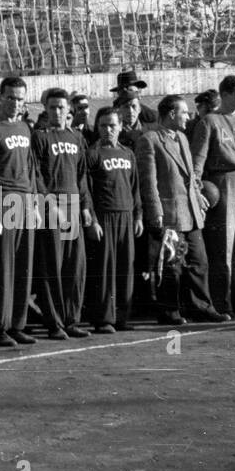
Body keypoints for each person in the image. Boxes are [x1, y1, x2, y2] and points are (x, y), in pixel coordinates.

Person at [136, 95, 228, 326]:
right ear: (170, 114)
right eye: (184, 112)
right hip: (169, 214)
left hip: (191, 213)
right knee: (171, 266)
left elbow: (191, 177)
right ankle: (169, 312)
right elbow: (149, 182)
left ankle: (202, 308)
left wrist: (198, 196)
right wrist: (156, 212)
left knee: (199, 262)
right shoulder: (149, 140)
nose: (188, 116)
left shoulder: (183, 139)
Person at [190, 74, 235, 315]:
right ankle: (222, 302)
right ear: (225, 95)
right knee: (224, 247)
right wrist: (197, 190)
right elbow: (197, 161)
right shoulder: (209, 121)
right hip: (222, 184)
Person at [0, 76, 40, 347]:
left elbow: (31, 168)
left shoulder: (26, 128)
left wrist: (36, 204)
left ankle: (17, 324)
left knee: (23, 267)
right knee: (2, 268)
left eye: (20, 99)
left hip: (25, 200)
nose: (15, 103)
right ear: (0, 98)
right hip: (2, 200)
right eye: (11, 98)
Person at [31, 88, 94, 340]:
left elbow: (82, 176)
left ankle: (71, 320)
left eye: (61, 107)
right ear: (45, 110)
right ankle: (54, 322)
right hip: (52, 208)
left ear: (69, 109)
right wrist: (49, 204)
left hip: (74, 207)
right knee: (52, 267)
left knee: (74, 267)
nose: (57, 112)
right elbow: (36, 175)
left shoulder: (77, 138)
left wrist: (87, 207)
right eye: (52, 107)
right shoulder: (39, 137)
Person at [84, 107, 141, 332]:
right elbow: (86, 191)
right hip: (104, 217)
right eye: (103, 125)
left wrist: (138, 216)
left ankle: (122, 315)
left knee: (125, 267)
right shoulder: (93, 154)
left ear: (120, 126)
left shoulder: (128, 153)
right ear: (97, 128)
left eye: (112, 125)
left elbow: (135, 188)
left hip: (126, 216)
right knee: (105, 269)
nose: (108, 130)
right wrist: (93, 221)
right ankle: (104, 318)